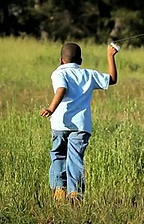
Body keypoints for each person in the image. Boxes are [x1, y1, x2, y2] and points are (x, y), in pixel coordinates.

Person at [40, 42, 118, 203]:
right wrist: (110, 56)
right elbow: (111, 79)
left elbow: (61, 89)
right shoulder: (88, 74)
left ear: (61, 60)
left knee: (58, 155)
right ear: (80, 61)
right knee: (75, 158)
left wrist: (51, 109)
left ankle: (59, 189)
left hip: (60, 123)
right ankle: (74, 193)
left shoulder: (58, 73)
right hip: (81, 125)